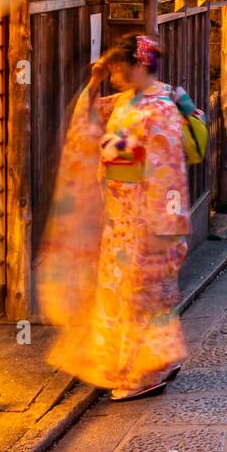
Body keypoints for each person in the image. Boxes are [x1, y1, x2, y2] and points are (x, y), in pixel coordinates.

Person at [37, 34, 193, 402]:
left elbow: (167, 172)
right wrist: (93, 80)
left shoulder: (158, 111)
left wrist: (164, 229)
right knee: (129, 295)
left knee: (139, 296)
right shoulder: (127, 102)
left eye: (121, 71)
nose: (116, 79)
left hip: (146, 221)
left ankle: (143, 374)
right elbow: (88, 116)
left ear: (140, 67)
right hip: (121, 217)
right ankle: (157, 362)